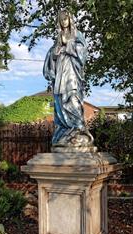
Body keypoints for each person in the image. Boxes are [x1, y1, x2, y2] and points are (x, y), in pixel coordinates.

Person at [43, 9, 93, 148]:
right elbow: (52, 54)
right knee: (60, 100)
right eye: (61, 19)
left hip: (71, 71)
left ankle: (78, 128)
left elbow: (82, 51)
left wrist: (68, 44)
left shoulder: (77, 34)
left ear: (70, 19)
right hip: (60, 71)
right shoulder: (59, 36)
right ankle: (65, 130)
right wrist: (55, 52)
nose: (64, 21)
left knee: (72, 97)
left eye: (66, 19)